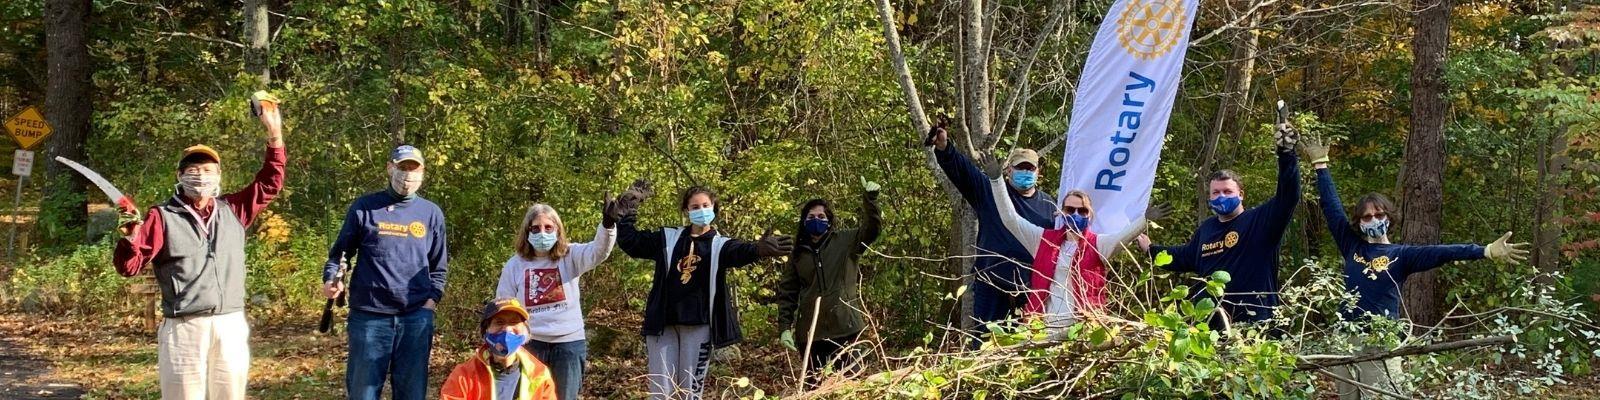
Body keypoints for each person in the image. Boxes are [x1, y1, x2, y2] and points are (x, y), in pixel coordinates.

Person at [1300, 136, 1529, 399]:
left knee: (1383, 395)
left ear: (1389, 217)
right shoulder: (1352, 246)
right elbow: (1332, 208)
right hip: (1346, 340)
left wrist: (1485, 250)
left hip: (1381, 340)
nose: (1373, 219)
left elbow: (1441, 252)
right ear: (1359, 221)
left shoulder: (1402, 255)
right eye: (1367, 216)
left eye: (1379, 214)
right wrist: (1320, 165)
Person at [112, 93, 285, 400]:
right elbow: (129, 267)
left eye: (207, 170)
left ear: (218, 176)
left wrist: (274, 134)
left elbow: (270, 182)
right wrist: (129, 238)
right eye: (192, 170)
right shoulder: (162, 216)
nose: (200, 176)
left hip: (230, 323)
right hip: (184, 326)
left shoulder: (234, 209)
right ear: (180, 176)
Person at [613, 180, 794, 399]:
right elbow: (632, 242)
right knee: (661, 392)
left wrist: (759, 249)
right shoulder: (668, 238)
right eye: (695, 207)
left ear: (714, 208)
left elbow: (740, 251)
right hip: (663, 324)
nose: (701, 210)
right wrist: (627, 213)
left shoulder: (720, 245)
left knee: (689, 391)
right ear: (686, 210)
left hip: (699, 326)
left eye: (706, 206)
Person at [1138, 119, 1301, 330]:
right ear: (1209, 197)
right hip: (1211, 328)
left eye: (1227, 191)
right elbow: (1184, 256)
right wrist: (1151, 250)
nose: (1221, 196)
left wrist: (1287, 155)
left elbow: (1288, 195)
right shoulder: (1207, 229)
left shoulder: (1261, 220)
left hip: (1256, 327)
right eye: (1215, 192)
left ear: (1241, 195)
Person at [322, 145, 449, 400]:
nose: (408, 175)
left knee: (412, 394)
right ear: (390, 168)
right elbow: (340, 255)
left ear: (423, 172)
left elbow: (439, 267)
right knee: (363, 393)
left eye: (414, 169)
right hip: (369, 318)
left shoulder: (431, 213)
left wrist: (430, 302)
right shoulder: (364, 207)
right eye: (403, 167)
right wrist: (331, 279)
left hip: (415, 318)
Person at [925, 125, 1057, 343]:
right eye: (1020, 167)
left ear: (1038, 172)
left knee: (1025, 345)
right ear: (1009, 170)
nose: (1025, 172)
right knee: (985, 344)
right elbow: (964, 173)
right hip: (992, 285)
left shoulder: (1049, 205)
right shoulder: (991, 191)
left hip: (1029, 288)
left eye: (1030, 168)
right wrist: (944, 148)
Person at [495, 200, 620, 400]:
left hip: (568, 344)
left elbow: (598, 251)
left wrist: (607, 225)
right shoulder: (515, 265)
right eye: (536, 228)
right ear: (527, 232)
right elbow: (503, 305)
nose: (542, 233)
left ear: (558, 230)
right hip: (529, 343)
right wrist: (503, 341)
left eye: (548, 227)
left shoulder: (570, 255)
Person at [992, 188, 1163, 334]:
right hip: (1044, 328)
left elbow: (1124, 236)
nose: (1075, 214)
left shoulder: (1099, 245)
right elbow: (1010, 219)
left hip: (1083, 329)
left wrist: (1144, 220)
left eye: (1082, 211)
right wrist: (996, 180)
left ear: (1090, 215)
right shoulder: (1042, 240)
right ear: (1061, 212)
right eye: (1070, 209)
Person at [775, 177, 882, 390]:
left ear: (829, 220)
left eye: (821, 216)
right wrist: (784, 327)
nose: (816, 220)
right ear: (804, 221)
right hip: (811, 335)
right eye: (811, 217)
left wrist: (870, 201)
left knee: (850, 387)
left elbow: (872, 229)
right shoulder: (798, 254)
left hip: (847, 328)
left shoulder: (846, 241)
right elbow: (788, 292)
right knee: (815, 389)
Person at [441, 298, 559, 400]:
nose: (507, 329)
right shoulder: (463, 375)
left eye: (514, 322)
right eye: (499, 322)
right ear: (485, 330)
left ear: (525, 330)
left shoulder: (539, 374)